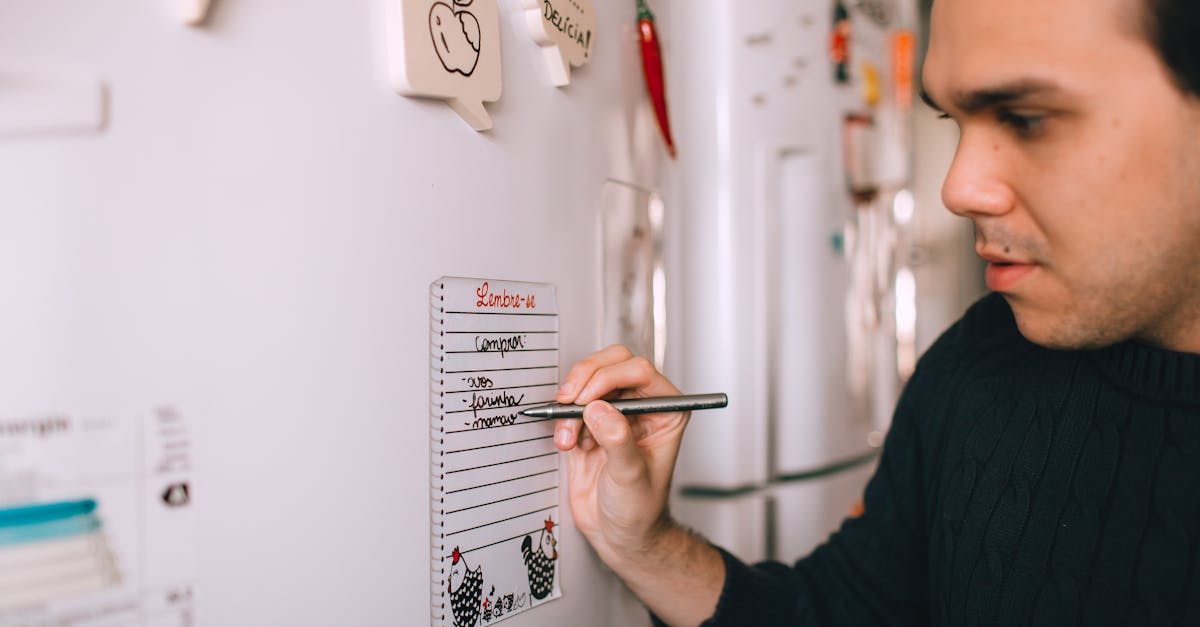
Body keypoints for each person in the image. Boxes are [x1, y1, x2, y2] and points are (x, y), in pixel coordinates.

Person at [552, 0, 1200, 624]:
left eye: (1026, 117)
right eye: (951, 120)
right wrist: (643, 541)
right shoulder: (982, 359)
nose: (957, 188)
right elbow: (844, 611)